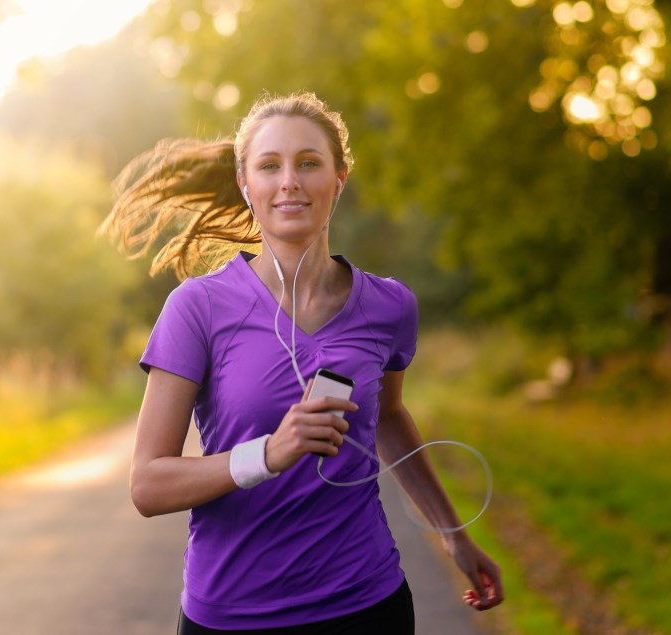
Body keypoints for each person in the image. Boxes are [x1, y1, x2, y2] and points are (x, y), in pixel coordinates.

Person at [101, 91, 504, 634]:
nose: (289, 180)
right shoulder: (197, 308)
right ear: (247, 185)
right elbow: (147, 485)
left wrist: (454, 535)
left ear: (338, 177)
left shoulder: (389, 306)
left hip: (367, 604)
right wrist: (269, 453)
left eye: (308, 163)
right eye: (270, 166)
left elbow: (386, 417)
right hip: (233, 615)